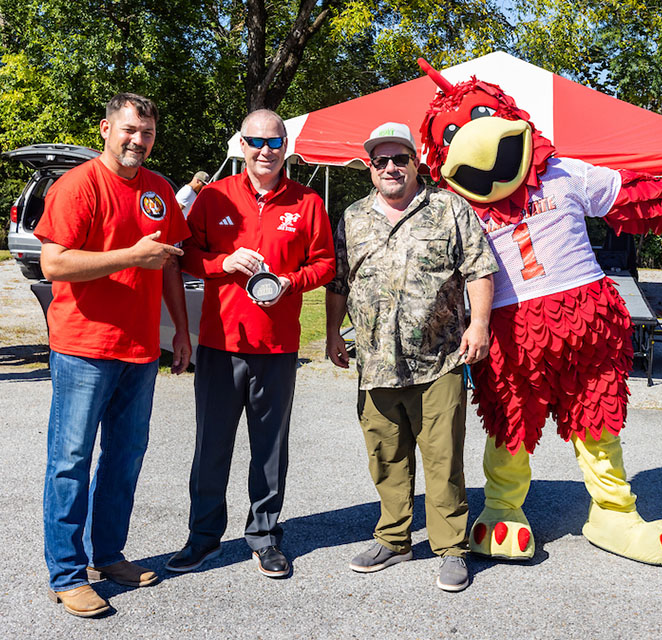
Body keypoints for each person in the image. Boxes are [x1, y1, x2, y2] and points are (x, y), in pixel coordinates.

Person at [35, 93, 192, 618]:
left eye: (146, 133)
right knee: (71, 463)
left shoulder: (159, 189)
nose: (138, 141)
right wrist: (130, 255)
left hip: (142, 347)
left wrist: (182, 333)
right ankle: (67, 574)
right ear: (105, 128)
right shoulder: (77, 185)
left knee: (124, 459)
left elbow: (169, 265)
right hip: (83, 346)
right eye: (129, 130)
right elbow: (53, 264)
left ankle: (109, 556)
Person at [324, 122, 498, 593]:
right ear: (370, 169)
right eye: (380, 161)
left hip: (437, 358)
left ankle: (451, 548)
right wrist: (331, 333)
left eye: (399, 159)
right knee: (386, 456)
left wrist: (479, 324)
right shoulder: (353, 217)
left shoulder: (448, 207)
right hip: (376, 360)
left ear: (416, 161)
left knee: (443, 459)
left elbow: (480, 268)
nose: (391, 168)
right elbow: (339, 280)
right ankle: (394, 538)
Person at [170, 109, 335, 579]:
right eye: (256, 142)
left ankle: (264, 536)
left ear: (287, 146)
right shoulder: (214, 197)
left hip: (278, 347)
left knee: (269, 449)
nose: (266, 151)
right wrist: (224, 262)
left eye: (275, 142)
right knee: (211, 446)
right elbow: (185, 259)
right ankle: (203, 538)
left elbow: (324, 264)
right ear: (241, 145)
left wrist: (291, 281)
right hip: (221, 344)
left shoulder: (307, 203)